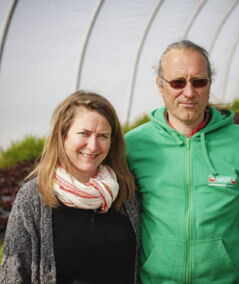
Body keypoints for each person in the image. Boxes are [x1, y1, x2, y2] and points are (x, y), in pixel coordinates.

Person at [125, 40, 239, 283]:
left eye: (199, 82)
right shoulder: (134, 145)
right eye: (178, 82)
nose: (189, 93)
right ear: (160, 85)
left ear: (209, 84)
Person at [0, 90, 140, 284]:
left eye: (103, 136)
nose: (93, 146)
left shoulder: (125, 193)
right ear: (63, 135)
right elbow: (14, 274)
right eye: (84, 133)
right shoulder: (34, 196)